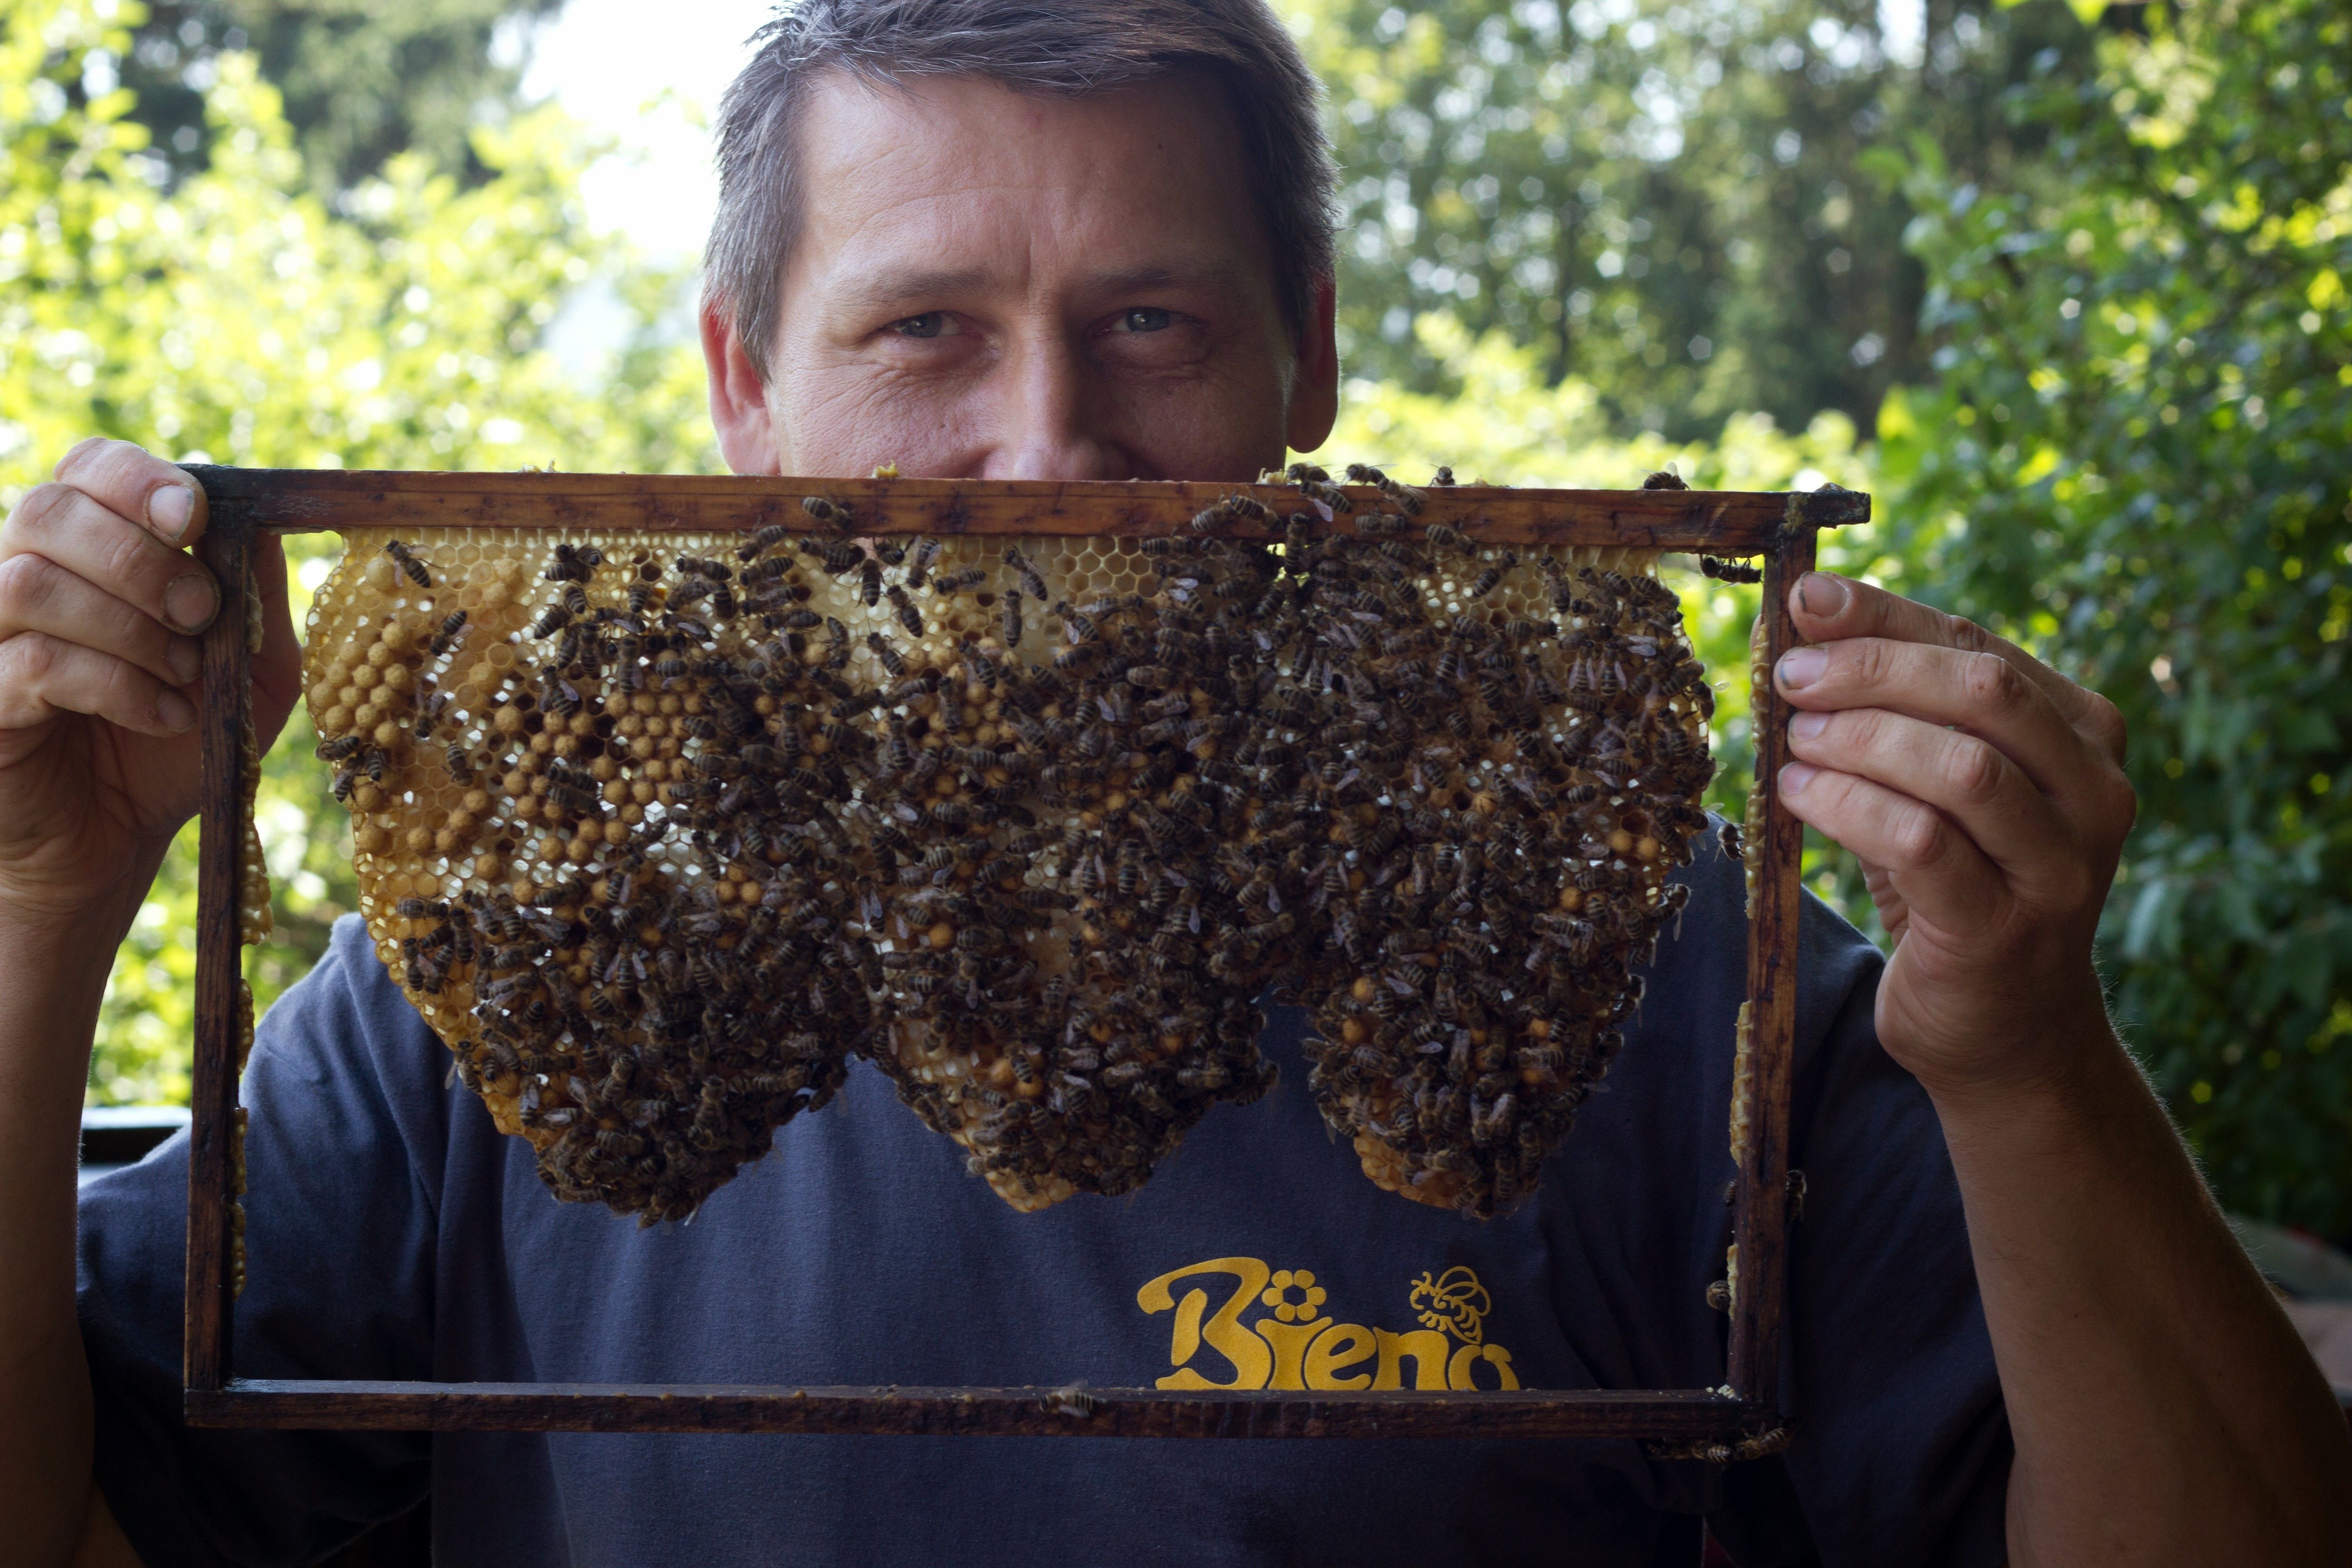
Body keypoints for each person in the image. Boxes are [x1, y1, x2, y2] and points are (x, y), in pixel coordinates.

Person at [4, 1, 2345, 1563]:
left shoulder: (1654, 972)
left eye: (1154, 323)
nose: (1045, 446)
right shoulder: (488, 984)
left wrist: (2031, 1067)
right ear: (743, 385)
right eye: (924, 328)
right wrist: (36, 915)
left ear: (1308, 364)